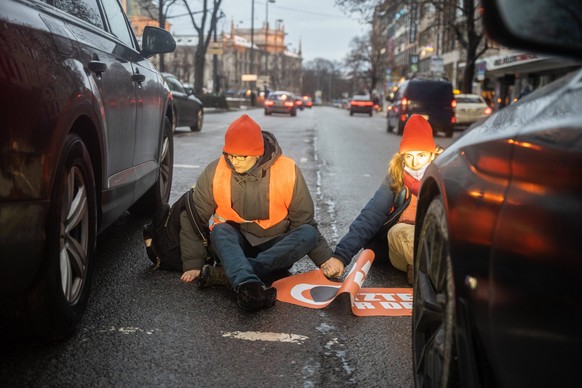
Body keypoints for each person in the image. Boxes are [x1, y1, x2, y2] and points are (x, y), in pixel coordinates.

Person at [178, 114, 335, 311]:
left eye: (242, 156)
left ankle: (234, 273)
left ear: (258, 153)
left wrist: (326, 259)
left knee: (308, 234)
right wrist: (193, 263)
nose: (235, 161)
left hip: (274, 246)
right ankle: (247, 284)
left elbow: (304, 222)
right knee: (220, 230)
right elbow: (193, 216)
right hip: (235, 245)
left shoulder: (288, 170)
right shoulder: (216, 170)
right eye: (230, 155)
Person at [320, 115, 442, 284]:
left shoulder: (442, 177)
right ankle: (433, 271)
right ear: (402, 156)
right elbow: (371, 216)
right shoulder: (396, 178)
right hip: (400, 246)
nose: (415, 163)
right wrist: (341, 256)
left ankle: (424, 269)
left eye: (421, 155)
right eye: (409, 156)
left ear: (432, 154)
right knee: (399, 232)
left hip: (434, 241)